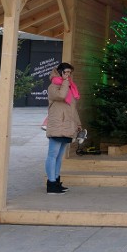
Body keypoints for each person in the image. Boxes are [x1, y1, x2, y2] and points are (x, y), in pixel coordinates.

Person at [45, 62, 81, 194]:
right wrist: (66, 82)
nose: (68, 75)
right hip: (57, 124)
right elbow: (61, 96)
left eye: (70, 73)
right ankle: (51, 184)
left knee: (59, 156)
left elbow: (72, 108)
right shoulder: (53, 86)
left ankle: (56, 181)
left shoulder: (69, 87)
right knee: (52, 155)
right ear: (59, 72)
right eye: (66, 72)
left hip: (66, 125)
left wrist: (78, 123)